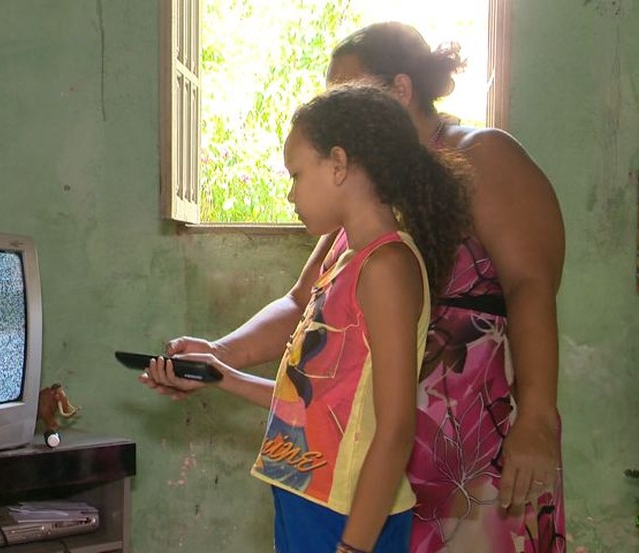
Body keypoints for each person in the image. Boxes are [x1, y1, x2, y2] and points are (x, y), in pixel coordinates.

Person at [143, 22, 566, 553]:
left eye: (347, 92)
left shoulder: (481, 156)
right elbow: (304, 305)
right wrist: (217, 355)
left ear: (401, 90)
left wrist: (537, 418)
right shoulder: (367, 208)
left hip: (477, 435)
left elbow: (531, 286)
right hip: (373, 461)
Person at [145, 84, 473, 553]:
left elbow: (396, 427)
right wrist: (218, 373)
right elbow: (312, 401)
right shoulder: (343, 262)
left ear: (338, 164)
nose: (290, 192)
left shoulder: (386, 268)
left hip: (351, 514)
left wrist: (355, 546)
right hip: (307, 494)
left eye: (297, 174)